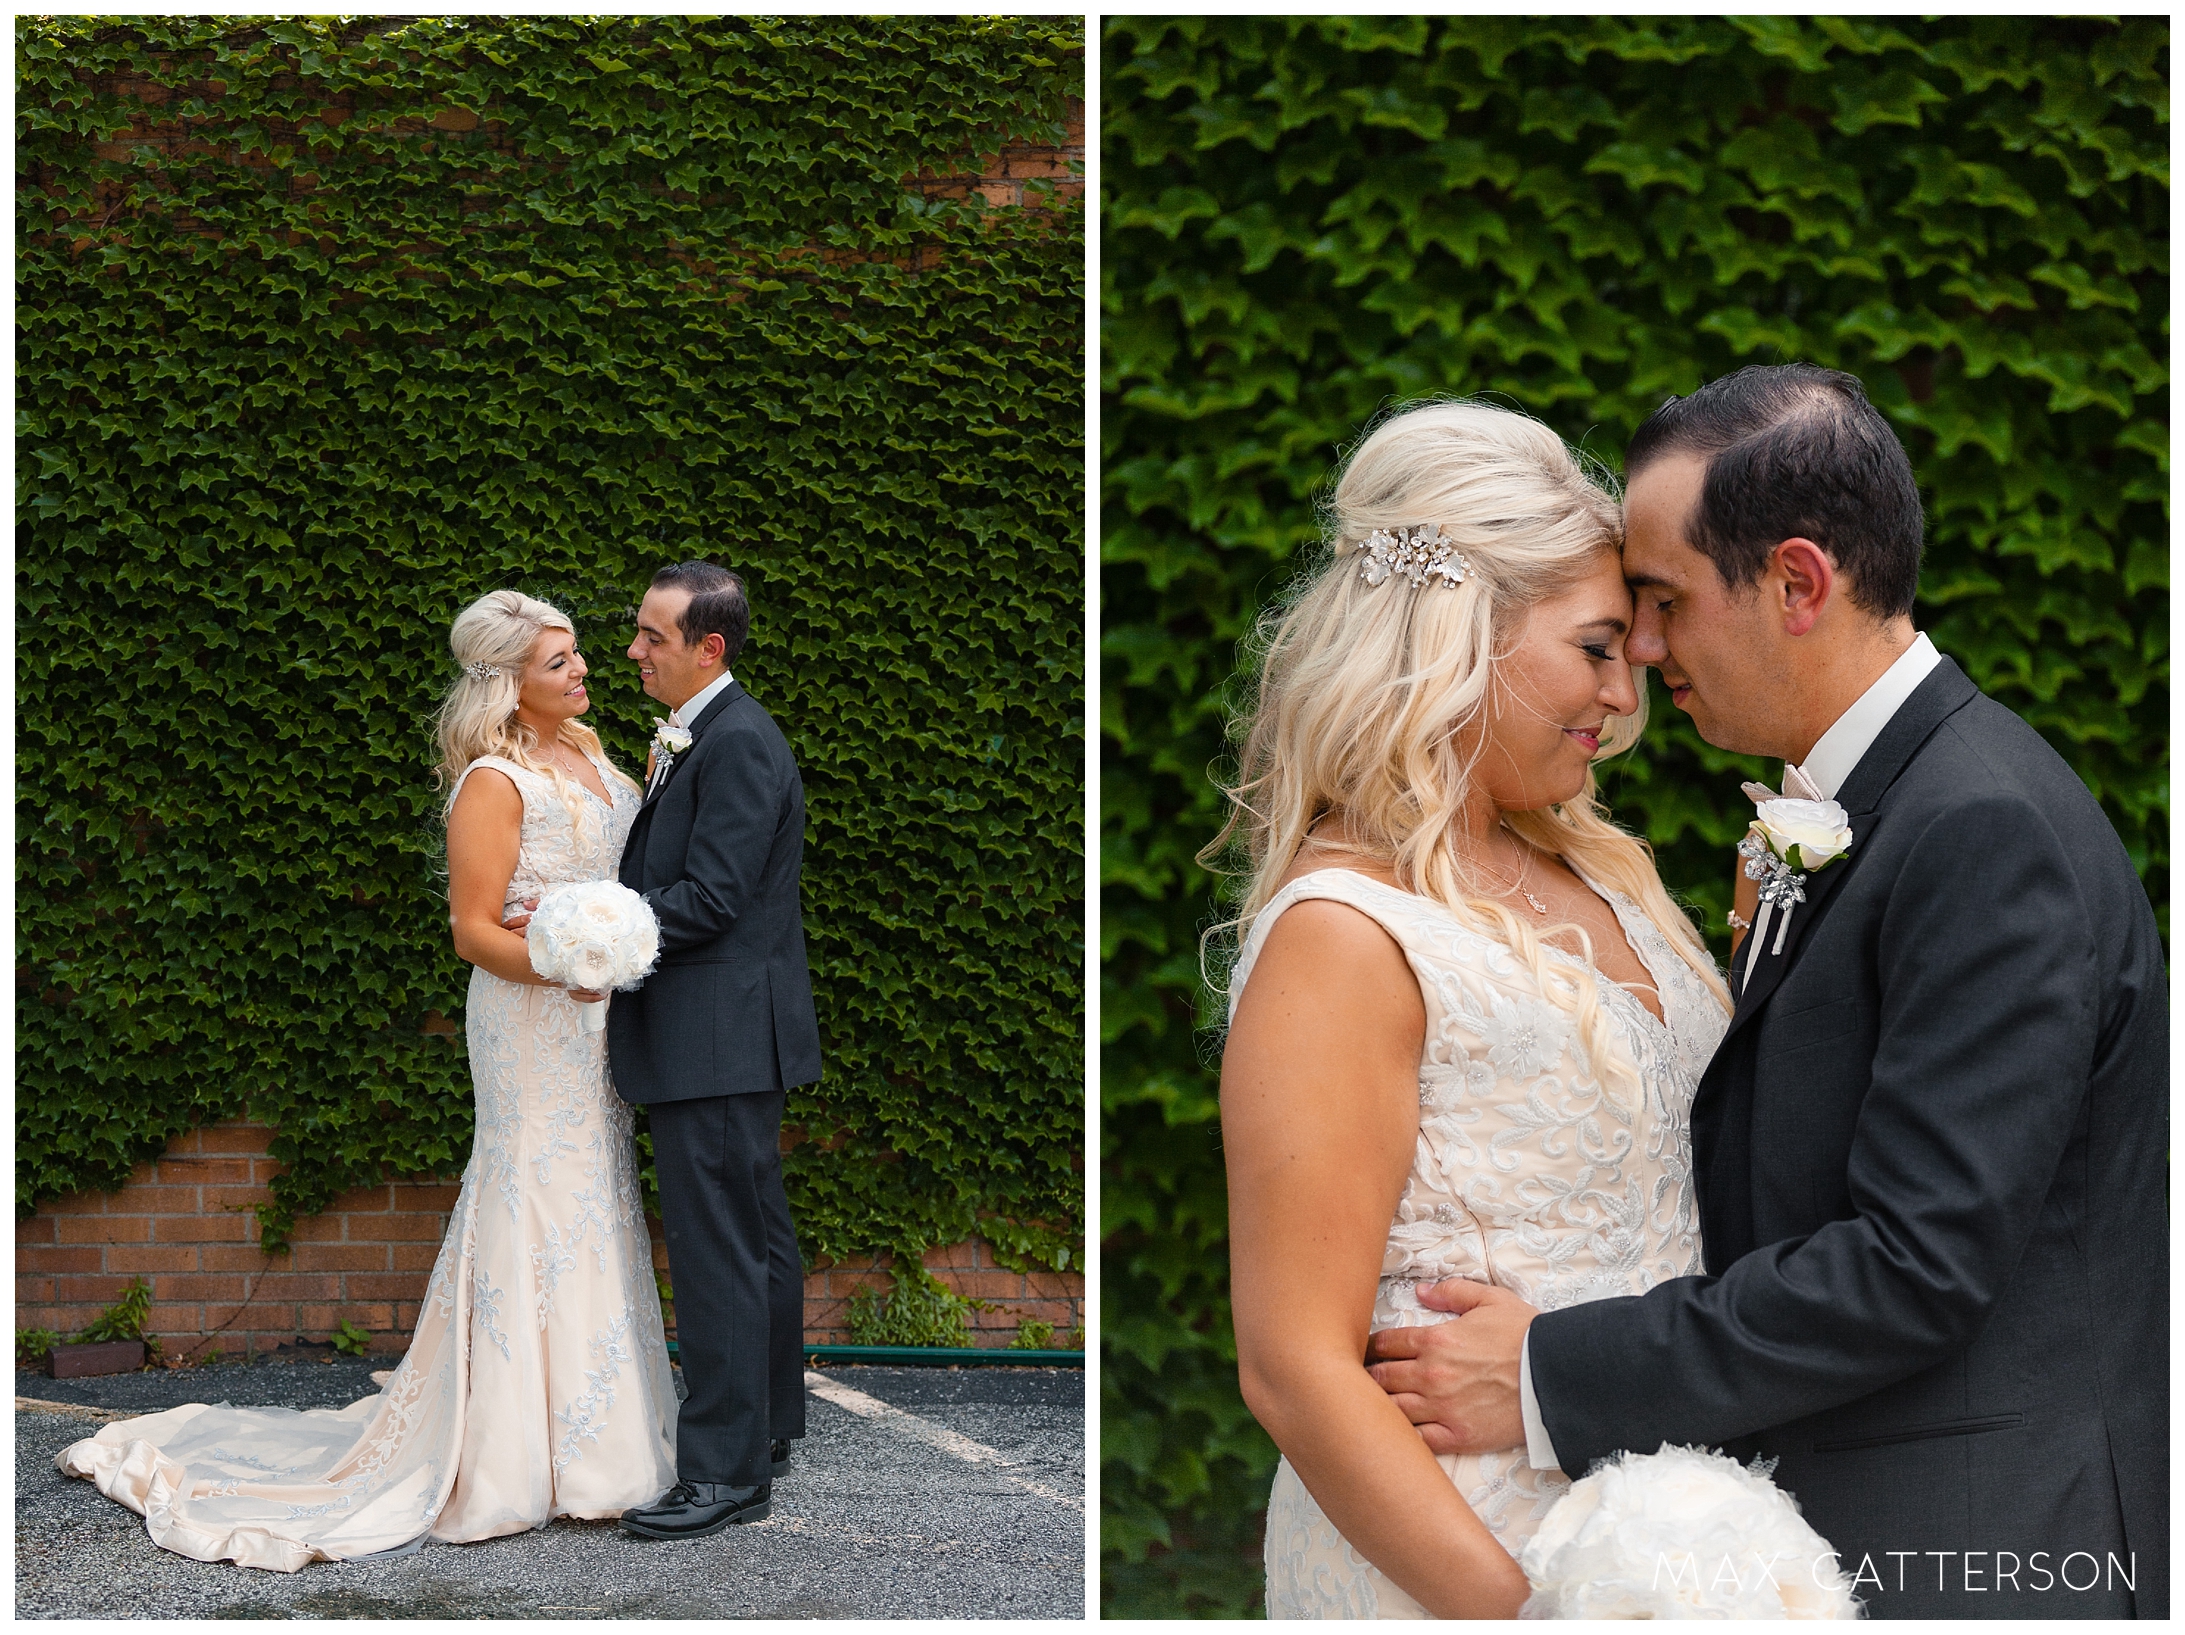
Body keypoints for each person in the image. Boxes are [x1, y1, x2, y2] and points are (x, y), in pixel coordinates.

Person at [1365, 365, 2168, 1617]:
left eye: (1662, 601)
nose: (1638, 648)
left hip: (1977, 1548)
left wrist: (1543, 1371)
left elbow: (1912, 1264)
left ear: (1797, 582)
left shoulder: (1978, 830)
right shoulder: (1882, 800)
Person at [1214, 400, 1734, 1618]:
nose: (1626, 696)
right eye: (1595, 647)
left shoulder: (1602, 867)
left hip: (1678, 1525)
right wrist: (1519, 1611)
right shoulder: (1344, 935)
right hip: (1457, 1555)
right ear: (1461, 635)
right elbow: (1293, 1368)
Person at [57, 589, 678, 1570]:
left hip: (600, 1026)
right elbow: (474, 930)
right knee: (532, 1195)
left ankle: (600, 1443)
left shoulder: (600, 754)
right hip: (530, 1018)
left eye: (576, 657)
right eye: (559, 661)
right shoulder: (492, 777)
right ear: (508, 682)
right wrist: (570, 961)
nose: (583, 669)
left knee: (596, 1192)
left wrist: (616, 947)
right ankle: (511, 1455)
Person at [606, 561, 823, 1541]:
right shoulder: (710, 733)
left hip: (717, 1035)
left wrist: (598, 927)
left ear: (709, 648)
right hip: (729, 1030)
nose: (634, 651)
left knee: (717, 1253)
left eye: (653, 637)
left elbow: (711, 899)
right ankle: (769, 1420)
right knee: (756, 1236)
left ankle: (725, 1474)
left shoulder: (735, 743)